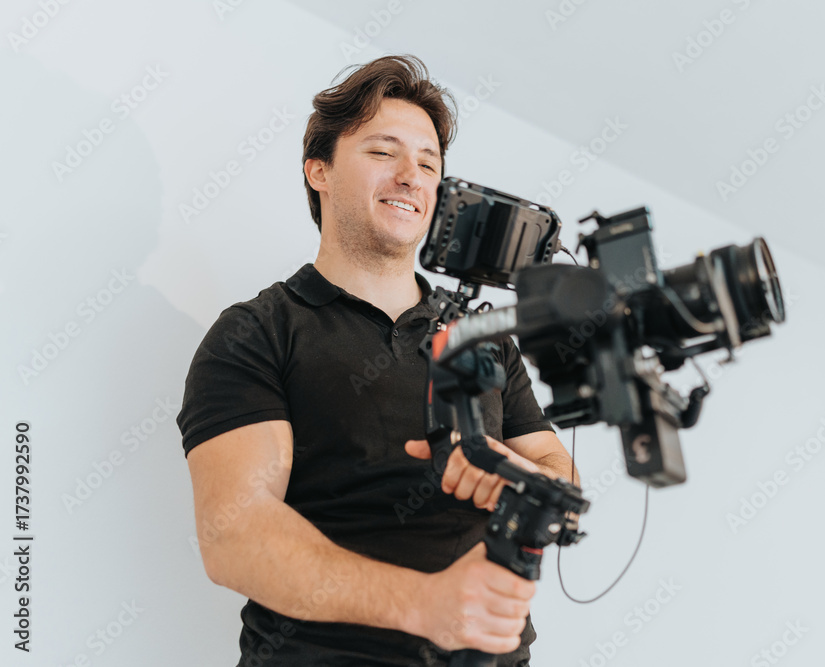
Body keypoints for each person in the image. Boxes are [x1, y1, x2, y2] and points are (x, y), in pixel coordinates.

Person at [177, 54, 579, 666]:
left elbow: (557, 469)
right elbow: (235, 533)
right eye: (383, 152)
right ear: (319, 170)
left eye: (429, 163)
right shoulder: (256, 332)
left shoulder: (484, 337)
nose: (411, 176)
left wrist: (515, 476)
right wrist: (426, 606)